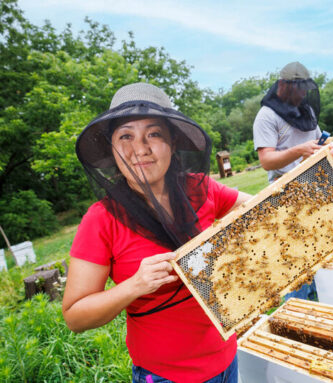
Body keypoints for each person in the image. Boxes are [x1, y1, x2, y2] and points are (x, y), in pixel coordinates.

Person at [62, 82, 251, 383]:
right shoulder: (100, 220)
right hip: (166, 375)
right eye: (126, 136)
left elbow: (265, 210)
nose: (140, 148)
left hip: (228, 356)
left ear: (172, 143)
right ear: (112, 149)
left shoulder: (200, 188)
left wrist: (315, 175)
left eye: (154, 134)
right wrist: (134, 286)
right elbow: (74, 315)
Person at [253, 61, 333, 300]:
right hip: (287, 193)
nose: (304, 94)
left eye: (306, 89)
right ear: (285, 86)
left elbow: (320, 144)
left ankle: (327, 302)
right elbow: (266, 160)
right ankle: (298, 312)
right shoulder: (265, 116)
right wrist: (298, 150)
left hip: (319, 187)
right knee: (297, 262)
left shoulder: (305, 111)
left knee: (327, 251)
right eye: (300, 89)